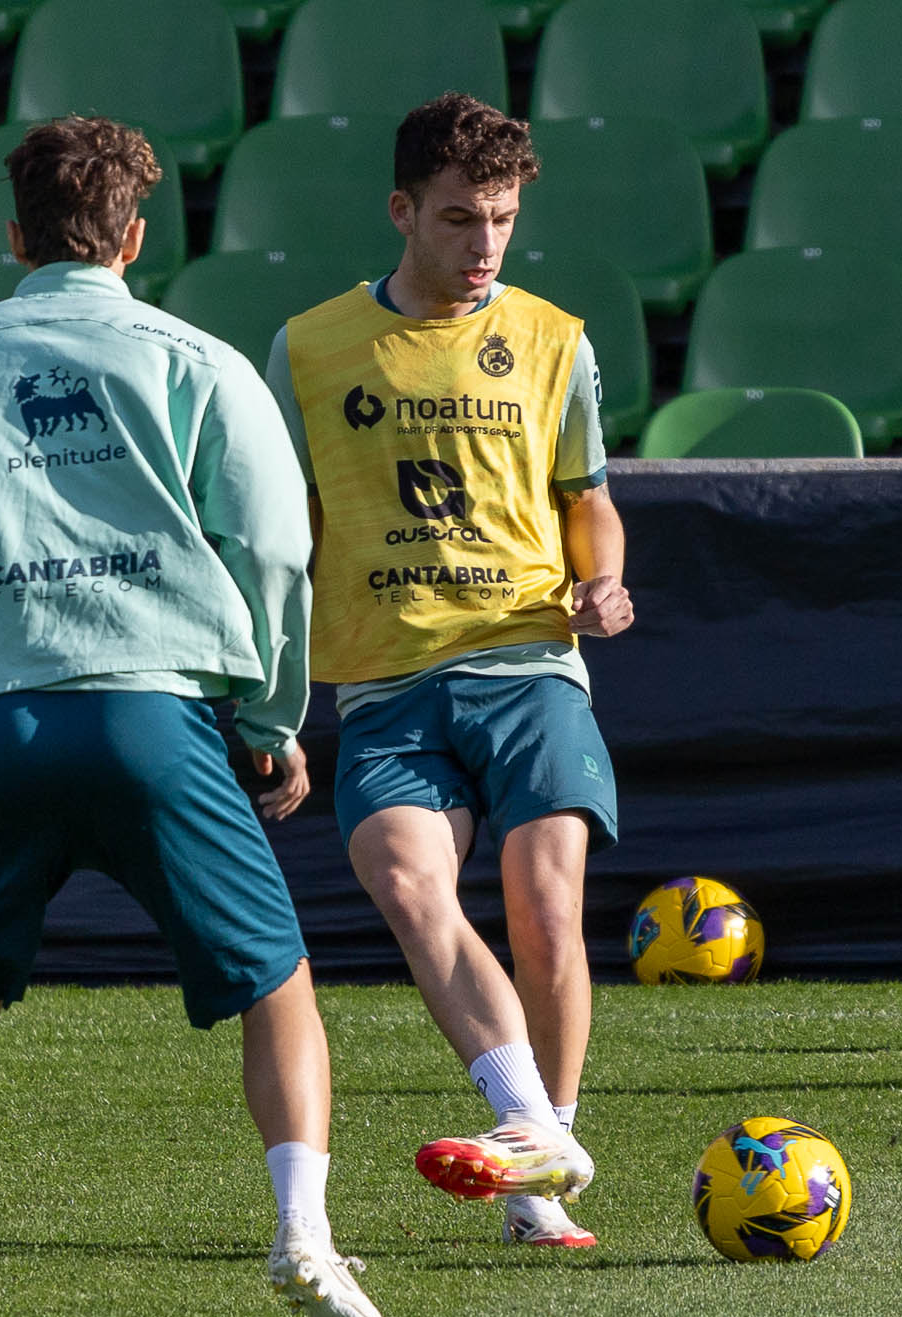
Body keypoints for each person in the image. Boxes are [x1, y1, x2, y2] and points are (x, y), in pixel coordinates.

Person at [0, 116, 394, 1317]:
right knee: (277, 988)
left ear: (11, 239)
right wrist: (272, 716)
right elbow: (279, 554)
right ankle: (303, 1238)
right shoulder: (202, 360)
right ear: (133, 236)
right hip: (153, 715)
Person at [266, 93, 634, 1250]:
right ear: (400, 211)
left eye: (502, 220)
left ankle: (536, 1167)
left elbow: (587, 501)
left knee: (542, 907)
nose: (483, 247)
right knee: (408, 887)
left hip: (527, 659)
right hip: (381, 682)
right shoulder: (311, 347)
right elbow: (279, 530)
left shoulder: (553, 338)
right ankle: (534, 1133)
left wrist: (603, 581)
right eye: (459, 219)